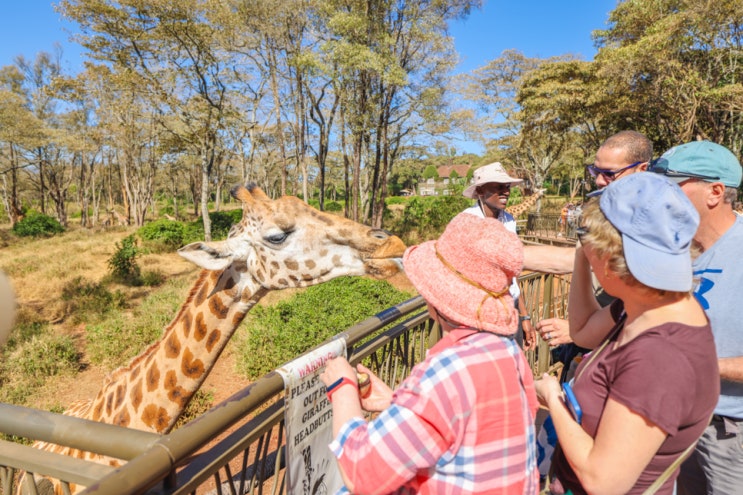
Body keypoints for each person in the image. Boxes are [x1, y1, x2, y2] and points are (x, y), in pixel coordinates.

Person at [320, 213, 539, 494]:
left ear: (436, 299)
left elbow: (360, 472)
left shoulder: (447, 371)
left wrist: (342, 387)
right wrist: (394, 403)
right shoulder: (508, 350)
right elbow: (471, 428)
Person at [535, 172, 719, 494]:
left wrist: (553, 396)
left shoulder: (659, 358)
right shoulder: (650, 303)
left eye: (587, 240)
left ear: (609, 260)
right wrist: (583, 254)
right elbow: (582, 332)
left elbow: (603, 482)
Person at [648, 141, 743, 495]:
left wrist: (699, 364)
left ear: (715, 192)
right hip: (678, 422)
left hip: (730, 432)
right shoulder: (673, 250)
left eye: (672, 185)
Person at [462, 161, 536, 350]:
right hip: (482, 313)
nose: (506, 192)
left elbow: (512, 275)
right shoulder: (467, 222)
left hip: (511, 308)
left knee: (514, 362)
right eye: (498, 187)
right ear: (480, 191)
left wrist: (524, 316)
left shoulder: (508, 220)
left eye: (507, 187)